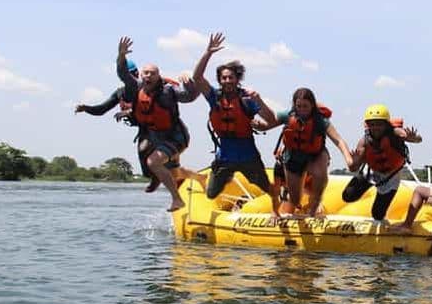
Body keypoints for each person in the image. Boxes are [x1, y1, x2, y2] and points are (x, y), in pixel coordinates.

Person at [190, 32, 281, 215]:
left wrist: (260, 100)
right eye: (224, 78)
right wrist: (208, 53)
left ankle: (277, 212)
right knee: (211, 193)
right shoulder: (214, 97)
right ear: (220, 80)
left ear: (237, 79)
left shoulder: (247, 99)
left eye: (230, 77)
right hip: (225, 157)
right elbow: (197, 78)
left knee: (266, 187)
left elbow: (271, 120)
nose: (227, 81)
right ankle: (232, 193)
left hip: (248, 155)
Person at [116, 36, 205, 211]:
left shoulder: (168, 91)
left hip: (176, 137)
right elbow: (123, 74)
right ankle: (199, 178)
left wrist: (191, 84)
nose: (148, 76)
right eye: (145, 73)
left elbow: (190, 97)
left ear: (159, 76)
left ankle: (177, 199)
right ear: (141, 75)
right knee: (172, 171)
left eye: (153, 73)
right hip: (155, 137)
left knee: (153, 162)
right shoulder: (137, 87)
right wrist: (121, 56)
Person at [75, 61, 176, 193]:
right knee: (144, 156)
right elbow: (102, 109)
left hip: (164, 128)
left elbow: (155, 101)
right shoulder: (120, 93)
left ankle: (171, 174)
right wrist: (86, 108)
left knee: (147, 150)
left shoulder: (148, 88)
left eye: (133, 74)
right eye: (129, 75)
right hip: (145, 128)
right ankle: (156, 178)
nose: (132, 78)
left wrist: (128, 112)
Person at [254, 88, 354, 217]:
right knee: (295, 199)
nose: (302, 110)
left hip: (315, 155)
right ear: (294, 105)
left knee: (319, 174)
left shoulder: (320, 120)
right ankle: (297, 203)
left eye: (305, 106)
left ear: (312, 105)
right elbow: (269, 123)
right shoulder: (288, 115)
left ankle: (314, 208)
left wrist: (348, 158)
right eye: (299, 106)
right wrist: (259, 124)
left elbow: (338, 140)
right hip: (293, 157)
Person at [343, 104, 422, 221]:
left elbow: (417, 139)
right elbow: (353, 168)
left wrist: (413, 138)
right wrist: (354, 162)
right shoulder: (364, 142)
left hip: (390, 176)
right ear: (367, 125)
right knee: (347, 196)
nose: (376, 128)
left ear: (386, 124)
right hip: (371, 171)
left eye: (379, 124)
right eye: (372, 124)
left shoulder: (395, 132)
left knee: (377, 214)